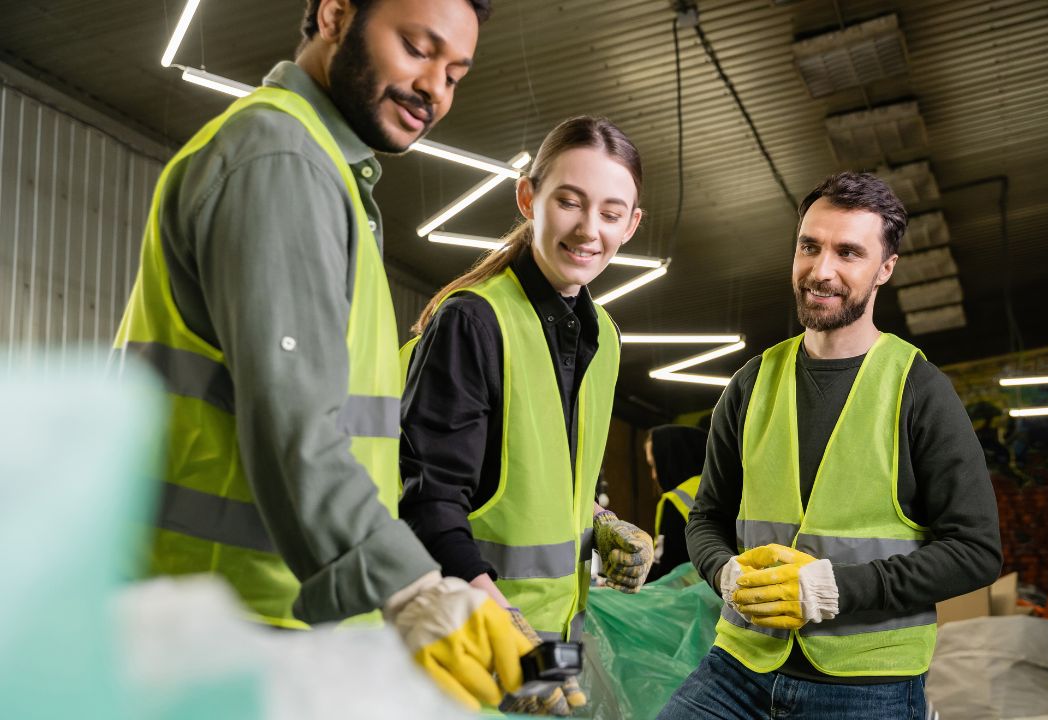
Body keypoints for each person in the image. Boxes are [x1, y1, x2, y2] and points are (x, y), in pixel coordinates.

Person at [111, 0, 531, 711]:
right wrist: (411, 587)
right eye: (418, 48)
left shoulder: (326, 172)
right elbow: (293, 423)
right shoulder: (279, 161)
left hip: (265, 614)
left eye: (456, 72)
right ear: (335, 12)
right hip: (222, 621)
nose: (436, 89)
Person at [658, 172, 1003, 719]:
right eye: (809, 246)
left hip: (869, 682)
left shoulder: (919, 390)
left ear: (884, 268)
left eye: (849, 252)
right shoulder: (751, 383)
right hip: (740, 667)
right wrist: (724, 571)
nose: (821, 271)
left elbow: (976, 551)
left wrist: (836, 589)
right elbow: (707, 519)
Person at [400, 116, 657, 715]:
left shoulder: (605, 339)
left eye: (612, 213)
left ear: (632, 224)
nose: (589, 230)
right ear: (527, 197)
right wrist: (498, 621)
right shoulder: (473, 322)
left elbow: (539, 477)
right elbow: (428, 499)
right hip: (474, 638)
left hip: (555, 641)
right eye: (569, 202)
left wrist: (602, 521)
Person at [645, 424, 708, 581]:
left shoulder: (675, 500)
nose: (653, 475)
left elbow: (666, 569)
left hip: (695, 601)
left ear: (671, 460)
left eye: (654, 465)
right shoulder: (727, 487)